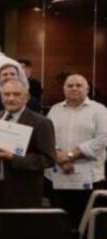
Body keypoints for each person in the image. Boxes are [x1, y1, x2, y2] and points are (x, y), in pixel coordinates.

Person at [0, 79, 55, 210]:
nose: (11, 98)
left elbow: (48, 160)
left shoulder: (41, 122)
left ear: (27, 98)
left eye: (17, 94)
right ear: (1, 97)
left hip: (22, 193)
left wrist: (13, 158)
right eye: (6, 94)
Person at [46, 75, 107, 225]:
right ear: (64, 89)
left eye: (78, 85)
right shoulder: (55, 110)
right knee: (58, 222)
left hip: (90, 178)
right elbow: (47, 136)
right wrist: (59, 155)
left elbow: (102, 139)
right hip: (58, 175)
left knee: (88, 223)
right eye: (70, 85)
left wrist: (70, 156)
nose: (74, 88)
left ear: (87, 89)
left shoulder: (99, 110)